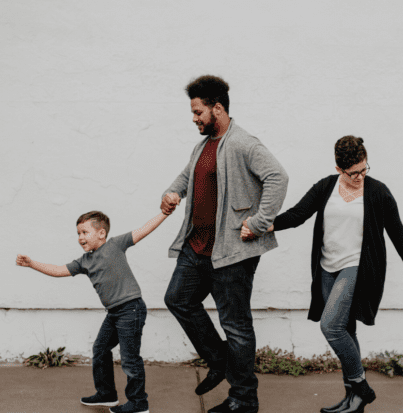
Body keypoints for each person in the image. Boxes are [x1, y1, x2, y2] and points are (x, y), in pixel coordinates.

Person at [242, 136, 403, 413]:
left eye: (365, 170)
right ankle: (353, 400)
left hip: (357, 267)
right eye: (354, 173)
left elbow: (397, 232)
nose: (360, 176)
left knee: (331, 326)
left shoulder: (378, 192)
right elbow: (297, 215)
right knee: (346, 330)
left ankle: (361, 387)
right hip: (327, 268)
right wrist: (261, 226)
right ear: (339, 169)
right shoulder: (326, 186)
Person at [161, 75, 288, 413]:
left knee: (236, 326)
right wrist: (172, 193)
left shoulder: (243, 143)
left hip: (231, 253)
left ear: (217, 109)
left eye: (198, 111)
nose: (194, 118)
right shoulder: (203, 145)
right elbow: (188, 175)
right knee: (177, 299)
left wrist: (259, 224)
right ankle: (220, 361)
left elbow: (278, 177)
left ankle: (244, 398)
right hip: (197, 246)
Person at [16, 210, 172, 413]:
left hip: (131, 309)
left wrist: (165, 213)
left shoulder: (116, 244)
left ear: (101, 233)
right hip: (114, 313)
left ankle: (138, 403)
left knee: (129, 359)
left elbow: (144, 229)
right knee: (100, 349)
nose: (80, 237)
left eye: (85, 232)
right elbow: (58, 270)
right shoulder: (84, 261)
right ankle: (107, 394)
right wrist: (31, 264)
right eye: (78, 233)